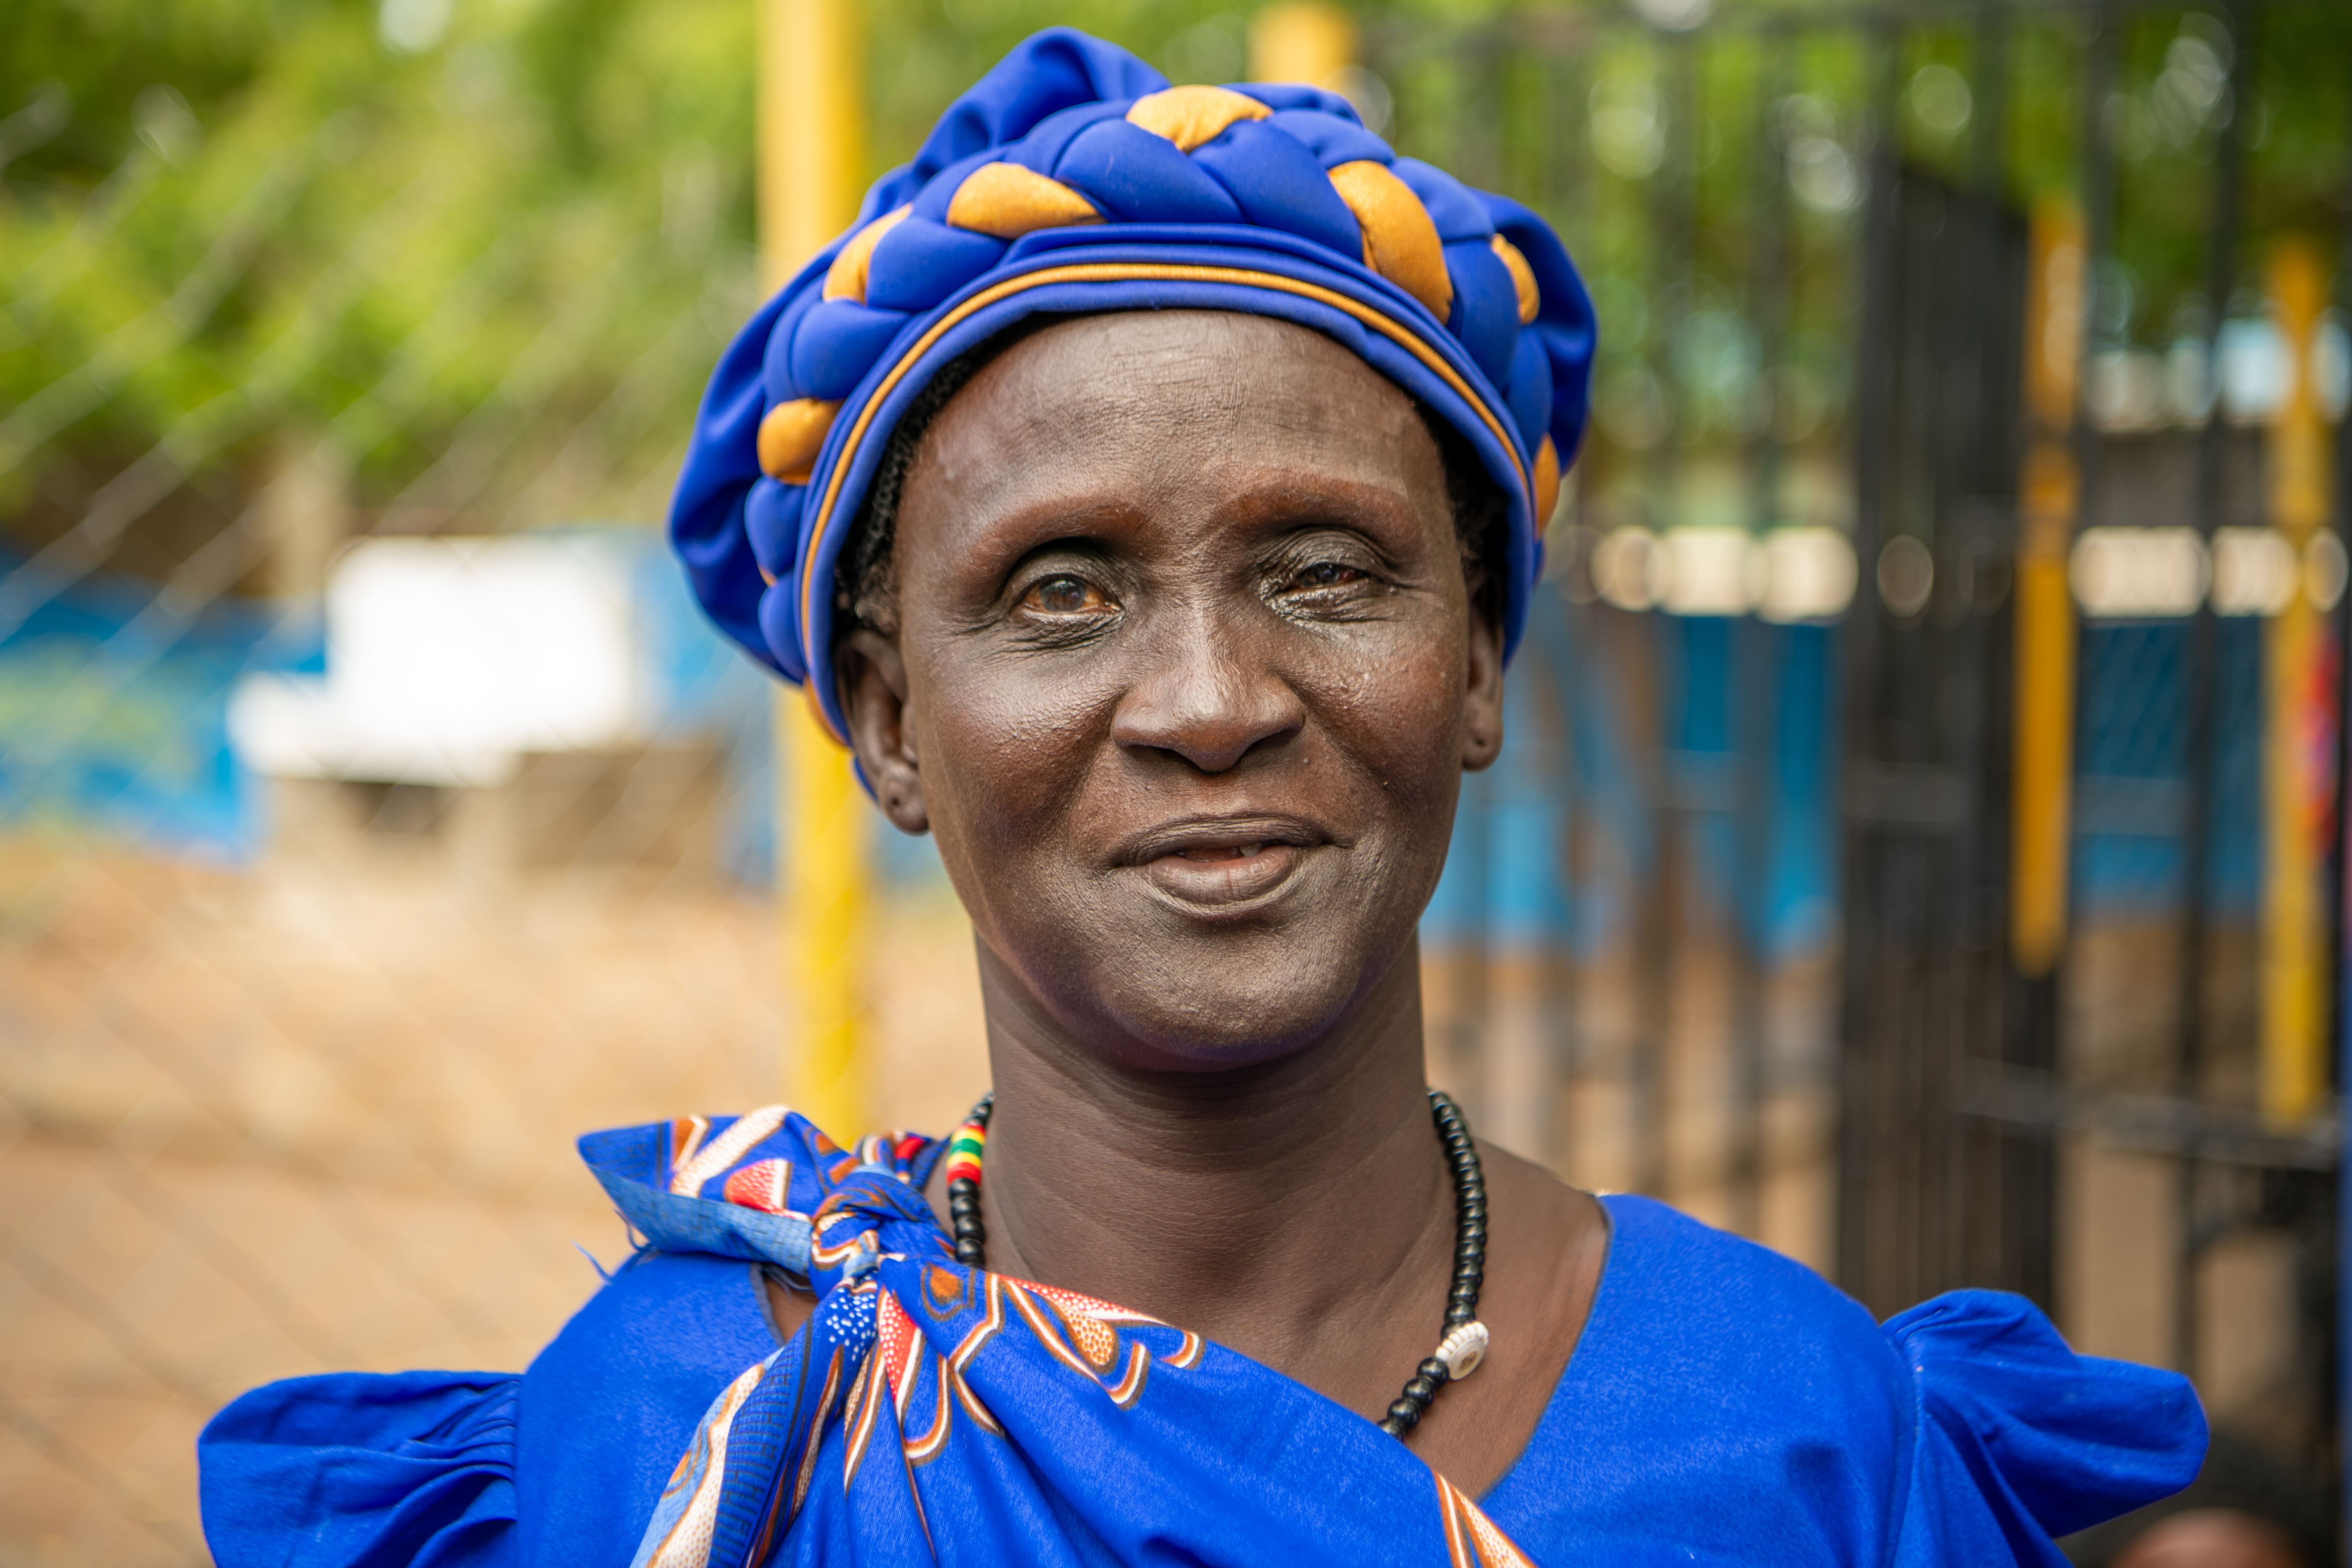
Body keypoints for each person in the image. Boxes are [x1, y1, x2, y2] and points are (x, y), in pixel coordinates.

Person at [197, 29, 2206, 1568]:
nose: (1215, 703)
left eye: (1325, 572)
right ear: (888, 723)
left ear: (1482, 663)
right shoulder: (700, 1450)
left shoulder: (1802, 1435)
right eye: (1058, 592)